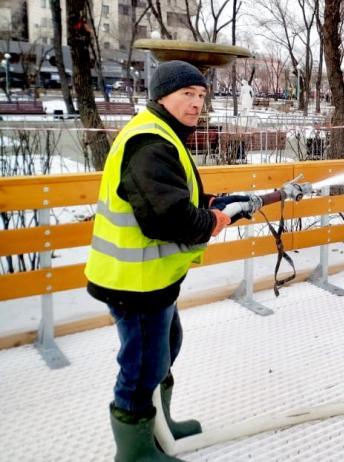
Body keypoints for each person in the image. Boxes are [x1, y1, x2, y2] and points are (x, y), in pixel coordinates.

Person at [84, 60, 299, 461]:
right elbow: (166, 217)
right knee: (142, 367)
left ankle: (161, 429)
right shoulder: (149, 142)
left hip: (152, 279)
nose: (197, 103)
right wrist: (211, 219)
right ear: (161, 95)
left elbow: (170, 195)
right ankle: (134, 453)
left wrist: (216, 204)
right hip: (134, 282)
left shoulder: (162, 134)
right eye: (187, 94)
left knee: (165, 348)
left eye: (201, 96)